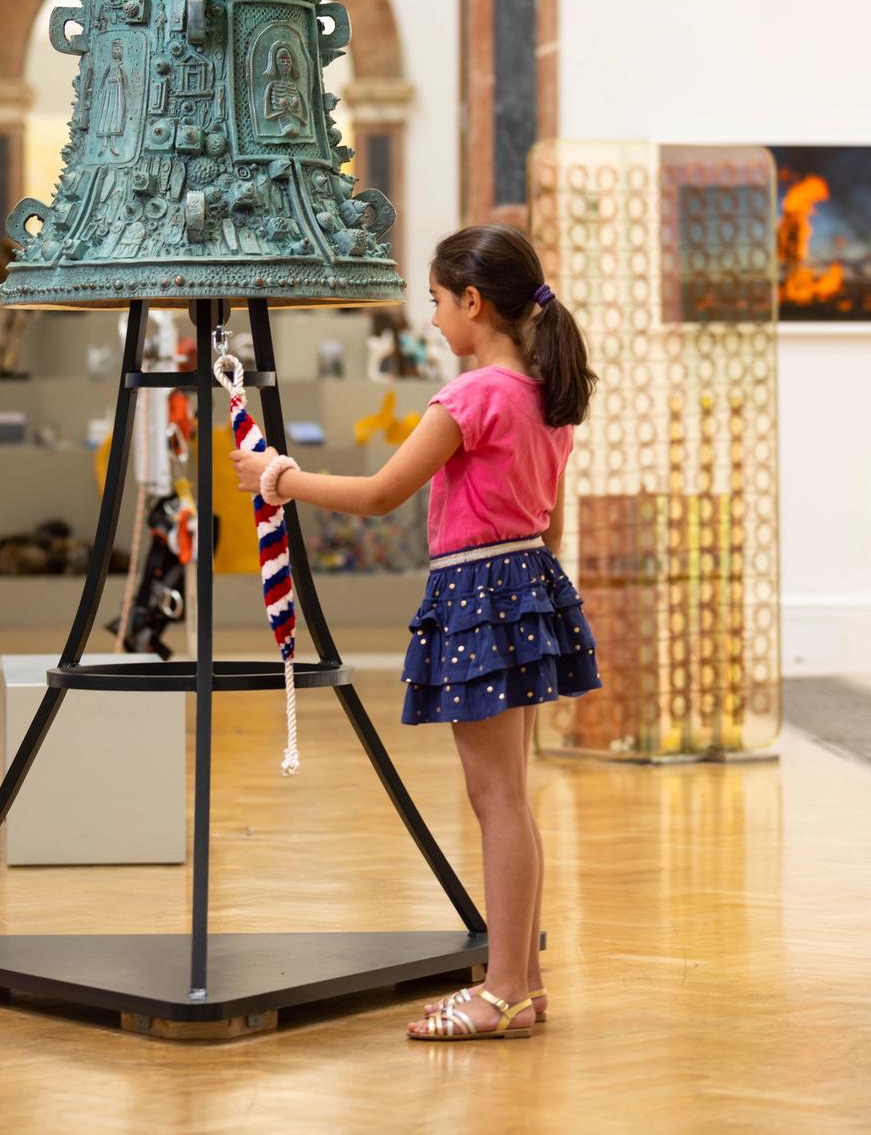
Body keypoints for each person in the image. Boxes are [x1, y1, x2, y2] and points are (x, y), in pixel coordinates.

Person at [229, 223, 602, 1042]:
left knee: (495, 798)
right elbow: (550, 521)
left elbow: (379, 494)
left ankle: (502, 989)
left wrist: (278, 476)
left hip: (479, 591)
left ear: (474, 301)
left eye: (436, 300)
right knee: (511, 796)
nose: (432, 318)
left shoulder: (471, 397)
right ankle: (523, 982)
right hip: (526, 584)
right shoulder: (547, 393)